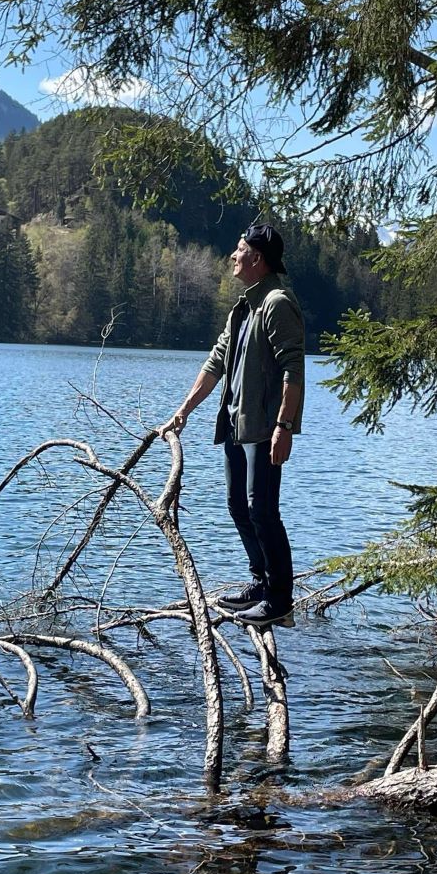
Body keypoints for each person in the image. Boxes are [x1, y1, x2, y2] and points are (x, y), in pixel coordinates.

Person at [160, 223, 305, 626]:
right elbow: (215, 364)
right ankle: (260, 583)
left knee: (263, 511)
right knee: (238, 506)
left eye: (238, 250)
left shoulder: (277, 302)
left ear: (257, 258)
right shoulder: (243, 307)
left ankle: (280, 602)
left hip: (264, 429)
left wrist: (284, 427)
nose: (232, 256)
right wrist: (184, 411)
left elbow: (294, 369)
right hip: (236, 428)